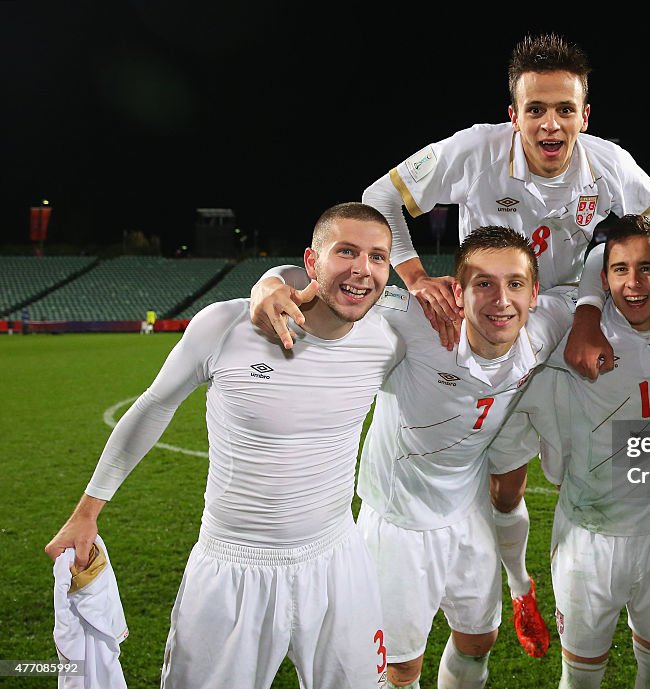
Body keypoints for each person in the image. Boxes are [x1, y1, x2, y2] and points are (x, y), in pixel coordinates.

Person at [355, 31, 650, 657]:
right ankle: (520, 584)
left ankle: (605, 568)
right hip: (497, 319)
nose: (550, 125)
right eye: (535, 109)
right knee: (500, 480)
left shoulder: (608, 161)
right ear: (514, 114)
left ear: (585, 114)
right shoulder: (472, 151)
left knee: (568, 471)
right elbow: (379, 199)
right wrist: (416, 277)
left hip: (555, 318)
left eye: (563, 110)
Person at [45, 202, 403, 689]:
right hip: (233, 567)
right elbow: (153, 407)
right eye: (347, 251)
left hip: (338, 559)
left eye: (378, 257)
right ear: (311, 261)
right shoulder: (225, 326)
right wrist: (87, 510)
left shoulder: (388, 337)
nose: (363, 269)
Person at [250, 226, 575, 688]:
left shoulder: (546, 324)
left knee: (479, 639)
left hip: (468, 511)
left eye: (515, 284)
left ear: (534, 292)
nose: (501, 299)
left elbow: (595, 291)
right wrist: (268, 283)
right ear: (456, 293)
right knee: (400, 666)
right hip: (398, 520)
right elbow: (324, 282)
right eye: (483, 283)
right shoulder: (416, 320)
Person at [487, 215, 650, 688]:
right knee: (580, 680)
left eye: (647, 269)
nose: (634, 283)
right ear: (604, 279)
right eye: (620, 270)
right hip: (590, 536)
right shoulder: (572, 326)